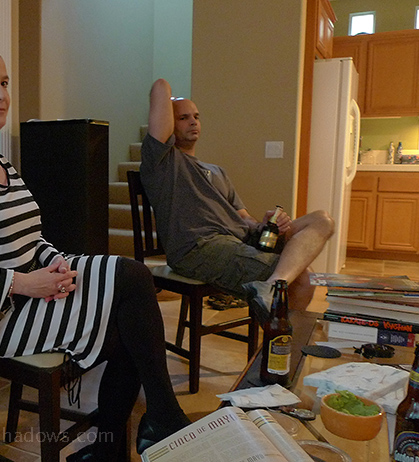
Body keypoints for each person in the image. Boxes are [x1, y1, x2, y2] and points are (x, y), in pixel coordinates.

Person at [0, 40, 189, 462]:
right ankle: (154, 425)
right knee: (129, 314)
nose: (1, 93)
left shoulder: (2, 164)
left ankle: (118, 445)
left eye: (4, 82)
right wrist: (25, 284)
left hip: (30, 289)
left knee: (133, 287)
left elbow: (30, 238)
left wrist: (52, 262)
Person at [140, 78, 335, 322]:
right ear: (169, 122)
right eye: (183, 117)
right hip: (200, 247)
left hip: (240, 238)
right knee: (303, 280)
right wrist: (171, 100)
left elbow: (244, 217)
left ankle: (271, 286)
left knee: (322, 220)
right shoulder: (163, 163)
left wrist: (264, 224)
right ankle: (279, 338)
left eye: (196, 116)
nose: (193, 121)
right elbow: (160, 86)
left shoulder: (217, 171)